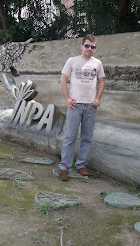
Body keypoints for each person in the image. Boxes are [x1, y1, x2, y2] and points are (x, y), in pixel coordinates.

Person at [58, 34, 105, 181]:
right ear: (81, 46)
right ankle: (64, 167)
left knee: (87, 138)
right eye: (87, 45)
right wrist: (67, 98)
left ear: (95, 48)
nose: (89, 48)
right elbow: (63, 80)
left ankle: (81, 165)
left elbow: (102, 82)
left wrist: (97, 98)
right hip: (75, 106)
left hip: (90, 106)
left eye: (93, 46)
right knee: (70, 137)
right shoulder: (72, 61)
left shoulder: (97, 63)